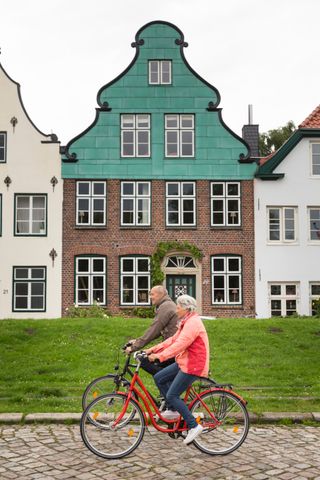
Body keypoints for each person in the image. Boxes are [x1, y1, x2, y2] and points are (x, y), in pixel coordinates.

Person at [146, 294, 210, 445]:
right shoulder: (186, 321)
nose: (176, 309)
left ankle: (194, 425)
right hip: (184, 362)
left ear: (186, 308)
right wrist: (151, 350)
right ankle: (174, 410)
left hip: (193, 364)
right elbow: (172, 340)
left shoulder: (193, 323)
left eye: (178, 307)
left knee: (173, 394)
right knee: (159, 377)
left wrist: (159, 357)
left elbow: (179, 345)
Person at [125, 285, 178, 375]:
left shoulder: (166, 307)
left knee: (145, 362)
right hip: (171, 346)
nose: (150, 297)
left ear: (161, 294)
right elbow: (158, 331)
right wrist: (137, 341)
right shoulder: (166, 305)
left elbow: (154, 329)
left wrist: (134, 347)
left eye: (152, 294)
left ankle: (168, 386)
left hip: (174, 348)